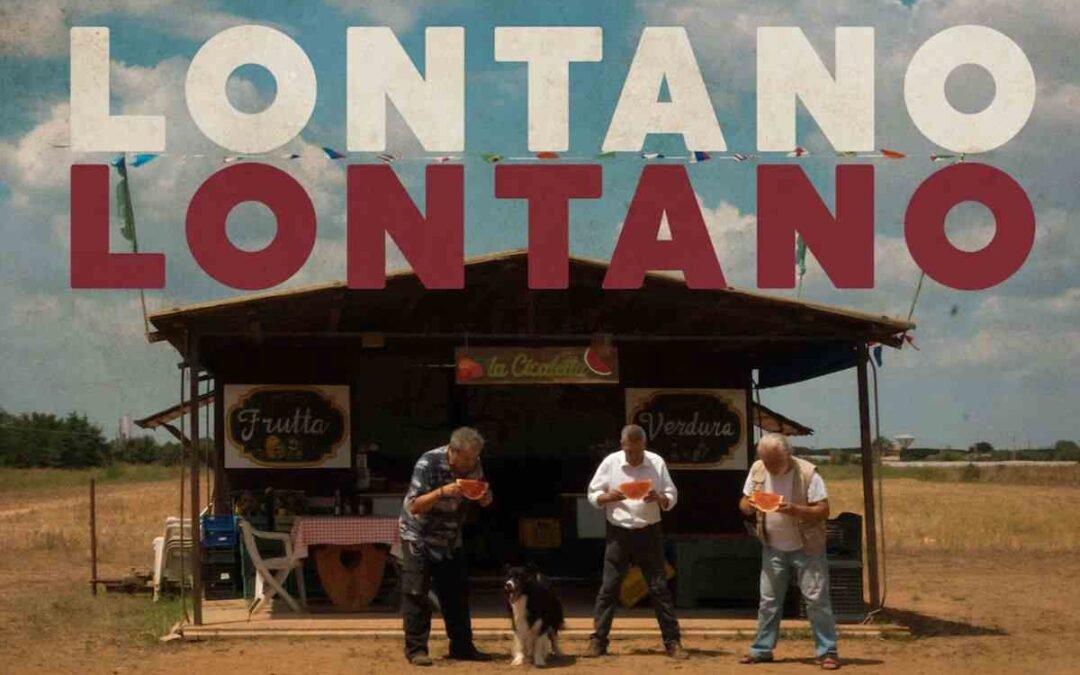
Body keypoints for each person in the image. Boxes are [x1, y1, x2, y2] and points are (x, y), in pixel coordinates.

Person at [585, 424, 689, 660]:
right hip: (618, 532)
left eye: (637, 451)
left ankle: (672, 642)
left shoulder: (656, 462)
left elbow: (671, 495)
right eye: (629, 451)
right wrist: (606, 497)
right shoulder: (611, 462)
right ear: (622, 445)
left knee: (659, 588)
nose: (633, 456)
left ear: (644, 445)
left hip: (649, 532)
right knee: (609, 587)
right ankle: (598, 640)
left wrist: (661, 498)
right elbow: (593, 494)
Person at [738, 433, 840, 670]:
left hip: (807, 546)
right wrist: (750, 504)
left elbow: (823, 510)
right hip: (772, 546)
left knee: (816, 600)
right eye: (766, 461)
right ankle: (762, 649)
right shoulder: (758, 469)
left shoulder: (808, 473)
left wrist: (795, 510)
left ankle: (827, 651)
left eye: (775, 462)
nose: (770, 467)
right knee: (768, 601)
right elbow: (743, 504)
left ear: (788, 455)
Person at [399, 427, 495, 666]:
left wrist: (485, 498)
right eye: (466, 459)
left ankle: (462, 647)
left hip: (451, 538)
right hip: (418, 536)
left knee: (456, 593)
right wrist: (442, 492)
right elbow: (414, 505)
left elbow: (479, 490)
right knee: (416, 593)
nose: (471, 464)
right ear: (452, 452)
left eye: (474, 458)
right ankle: (416, 650)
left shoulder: (474, 464)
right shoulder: (427, 463)